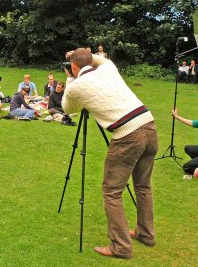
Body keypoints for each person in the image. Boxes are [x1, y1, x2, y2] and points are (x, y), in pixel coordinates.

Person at [62, 48, 158, 259]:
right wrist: (80, 55)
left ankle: (121, 246)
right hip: (149, 125)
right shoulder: (108, 67)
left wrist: (69, 78)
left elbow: (68, 109)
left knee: (111, 192)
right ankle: (146, 233)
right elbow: (96, 59)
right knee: (143, 186)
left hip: (127, 135)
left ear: (74, 67)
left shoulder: (76, 85)